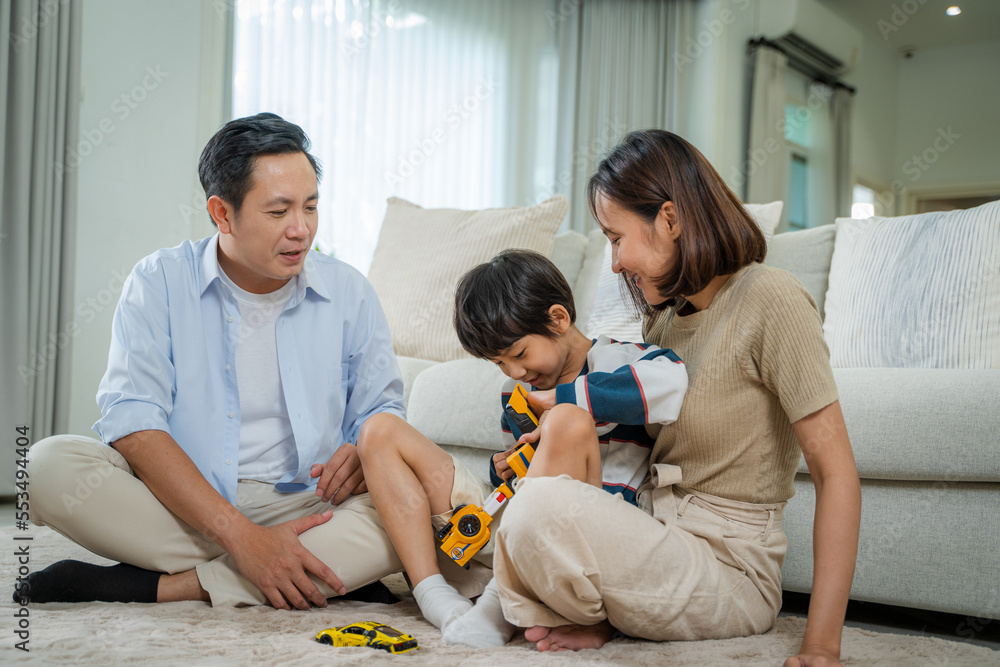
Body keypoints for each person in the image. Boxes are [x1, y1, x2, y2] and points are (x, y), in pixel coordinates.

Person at [491, 130, 862, 667]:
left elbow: (836, 474)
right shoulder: (664, 320)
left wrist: (822, 647)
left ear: (669, 218)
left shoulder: (769, 298)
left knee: (537, 511)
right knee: (519, 504)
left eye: (616, 238)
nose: (614, 263)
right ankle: (593, 615)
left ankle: (544, 608)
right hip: (656, 528)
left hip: (731, 568)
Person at [18, 113, 408, 609]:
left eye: (311, 207)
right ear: (222, 214)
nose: (301, 229)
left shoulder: (349, 290)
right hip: (187, 504)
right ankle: (315, 568)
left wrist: (363, 446)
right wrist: (239, 536)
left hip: (313, 503)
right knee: (45, 467)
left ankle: (163, 586)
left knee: (407, 509)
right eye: (279, 211)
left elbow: (384, 410)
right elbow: (133, 422)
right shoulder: (158, 281)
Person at [359, 248, 688, 648]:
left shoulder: (621, 362)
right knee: (379, 431)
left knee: (567, 423)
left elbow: (672, 383)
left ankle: (499, 604)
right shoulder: (517, 392)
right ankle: (435, 598)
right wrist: (507, 469)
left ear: (559, 319)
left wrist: (564, 401)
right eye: (499, 363)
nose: (515, 372)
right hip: (516, 529)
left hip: (585, 534)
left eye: (518, 354)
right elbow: (528, 483)